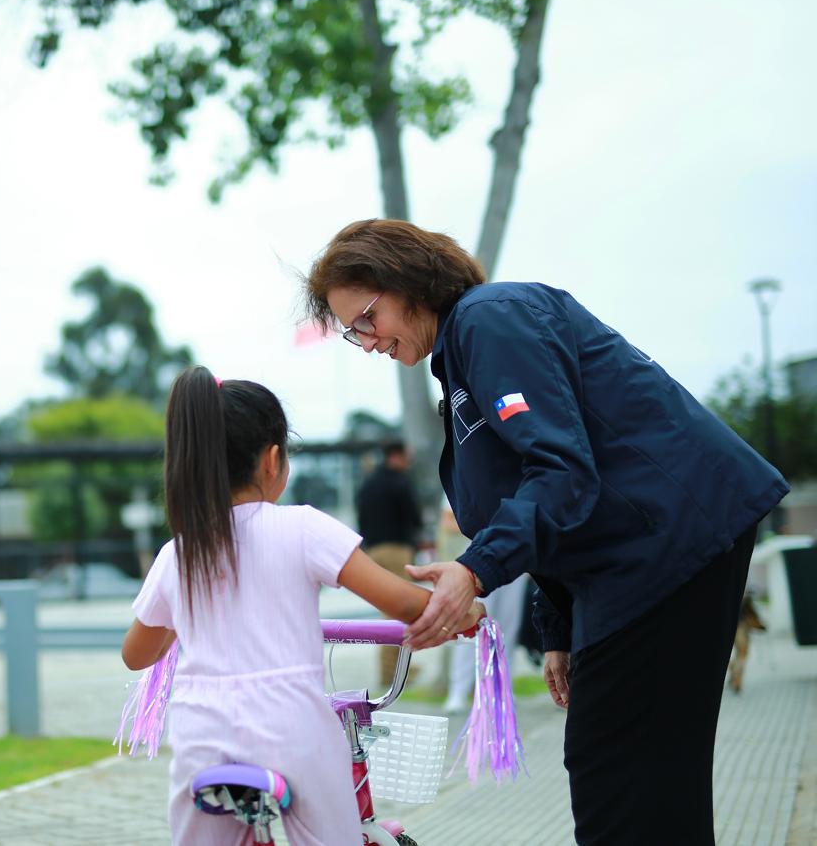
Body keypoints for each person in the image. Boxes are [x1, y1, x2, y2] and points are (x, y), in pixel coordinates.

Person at [303, 218, 789, 845]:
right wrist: (557, 627)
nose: (365, 341)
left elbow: (563, 472)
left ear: (409, 282)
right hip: (634, 558)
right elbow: (541, 493)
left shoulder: (489, 318)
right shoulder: (458, 355)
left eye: (367, 318)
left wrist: (474, 570)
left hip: (668, 545)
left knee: (623, 771)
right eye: (351, 332)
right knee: (635, 773)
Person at [121, 366, 484, 845]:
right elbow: (402, 603)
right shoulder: (303, 528)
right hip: (291, 727)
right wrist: (465, 612)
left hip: (201, 737)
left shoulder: (179, 552)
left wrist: (184, 617)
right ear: (273, 461)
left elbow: (136, 654)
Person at [436, 493, 530, 715]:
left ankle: (502, 690)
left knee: (508, 626)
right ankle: (459, 689)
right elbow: (448, 520)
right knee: (471, 626)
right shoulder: (469, 471)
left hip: (513, 559)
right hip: (477, 557)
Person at [356, 439, 423, 685]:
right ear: (395, 456)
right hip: (397, 549)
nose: (409, 461)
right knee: (397, 613)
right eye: (407, 456)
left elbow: (361, 517)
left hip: (372, 552)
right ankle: (391, 673)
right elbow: (414, 518)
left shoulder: (368, 483)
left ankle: (397, 669)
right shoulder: (400, 482)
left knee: (386, 611)